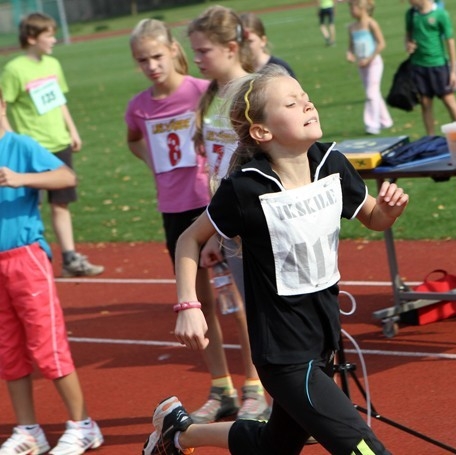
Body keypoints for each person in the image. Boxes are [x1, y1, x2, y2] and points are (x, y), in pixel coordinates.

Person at [141, 64, 408, 455]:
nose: (307, 105)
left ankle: (179, 433)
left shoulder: (330, 164)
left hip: (323, 341)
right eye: (292, 102)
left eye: (306, 98)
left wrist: (389, 209)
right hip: (283, 353)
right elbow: (189, 239)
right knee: (365, 451)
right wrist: (188, 305)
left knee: (272, 447)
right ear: (262, 131)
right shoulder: (247, 187)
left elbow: (373, 218)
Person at [125, 17, 244, 426]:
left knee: (237, 298)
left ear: (175, 50)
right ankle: (221, 386)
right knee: (199, 302)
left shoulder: (201, 93)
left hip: (211, 204)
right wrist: (156, 166)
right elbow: (134, 139)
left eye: (157, 56)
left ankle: (255, 386)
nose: (152, 65)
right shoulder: (139, 106)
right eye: (143, 60)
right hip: (173, 210)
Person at [0, 89, 104, 455]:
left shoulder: (20, 145)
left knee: (48, 347)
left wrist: (21, 179)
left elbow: (65, 177)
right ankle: (29, 430)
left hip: (25, 259)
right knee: (8, 350)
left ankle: (84, 424)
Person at [187, 5, 270, 422]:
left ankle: (266, 394)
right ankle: (251, 394)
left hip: (253, 218)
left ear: (232, 47)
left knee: (258, 310)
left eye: (203, 51)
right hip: (223, 220)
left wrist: (231, 223)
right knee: (237, 306)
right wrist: (213, 229)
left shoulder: (253, 90)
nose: (197, 59)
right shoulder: (210, 97)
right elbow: (211, 168)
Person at [0, 12, 104, 278]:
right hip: (31, 145)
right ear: (32, 38)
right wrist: (12, 141)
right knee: (27, 203)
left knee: (62, 201)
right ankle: (29, 251)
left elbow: (59, 100)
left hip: (58, 140)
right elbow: (4, 106)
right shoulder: (14, 69)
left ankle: (70, 257)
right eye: (49, 35)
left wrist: (72, 129)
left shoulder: (53, 64)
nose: (54, 40)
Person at [405, 0, 456, 136]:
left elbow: (450, 41)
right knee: (425, 103)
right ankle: (430, 137)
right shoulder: (411, 14)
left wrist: (453, 71)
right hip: (418, 65)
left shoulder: (440, 14)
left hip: (438, 65)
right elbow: (408, 34)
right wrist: (408, 45)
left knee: (449, 100)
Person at [345, 0, 393, 135]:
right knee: (374, 93)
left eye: (352, 8)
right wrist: (349, 54)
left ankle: (372, 125)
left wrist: (369, 59)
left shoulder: (371, 23)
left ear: (362, 8)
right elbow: (351, 46)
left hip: (374, 63)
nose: (350, 11)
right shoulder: (352, 27)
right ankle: (385, 120)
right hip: (362, 65)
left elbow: (381, 44)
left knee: (371, 93)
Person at [239, 12, 296, 78]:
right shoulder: (239, 70)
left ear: (263, 41)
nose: (245, 46)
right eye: (242, 42)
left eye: (250, 41)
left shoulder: (279, 67)